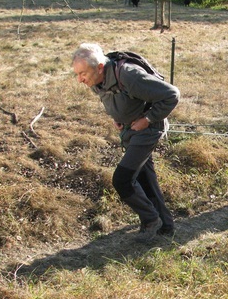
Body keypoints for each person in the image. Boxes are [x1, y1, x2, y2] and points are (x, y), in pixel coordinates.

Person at [72, 43, 180, 242]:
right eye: (77, 74)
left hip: (148, 129)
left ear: (100, 68)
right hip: (131, 130)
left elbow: (171, 95)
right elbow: (114, 100)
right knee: (145, 179)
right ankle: (166, 226)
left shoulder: (129, 75)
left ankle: (151, 221)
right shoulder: (95, 80)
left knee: (122, 179)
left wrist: (146, 120)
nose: (80, 80)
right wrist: (118, 117)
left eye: (83, 73)